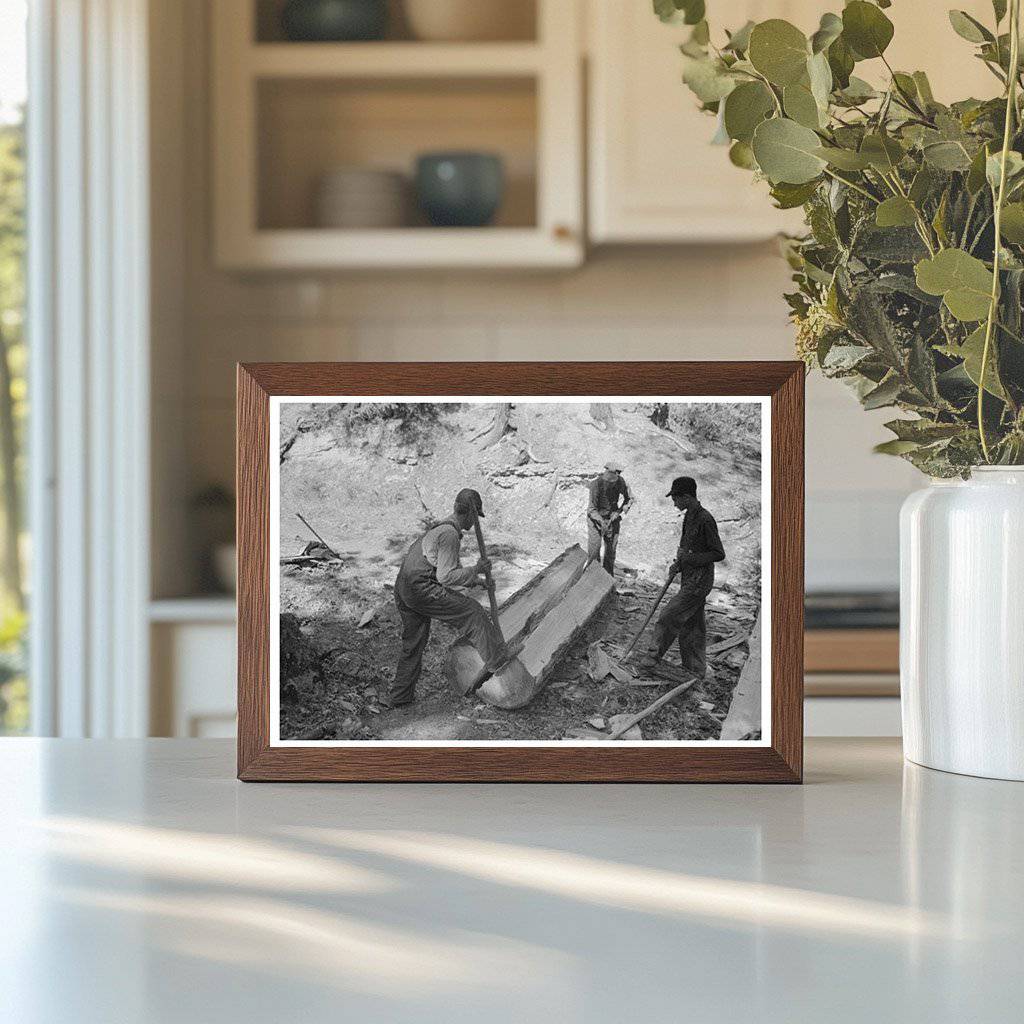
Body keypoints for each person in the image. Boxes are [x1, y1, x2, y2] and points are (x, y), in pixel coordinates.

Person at [385, 488, 510, 708]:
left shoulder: (442, 528)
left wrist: (477, 581)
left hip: (405, 587)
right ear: (470, 514)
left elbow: (449, 569)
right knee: (473, 613)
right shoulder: (450, 534)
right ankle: (499, 665)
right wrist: (477, 568)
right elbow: (447, 577)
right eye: (475, 516)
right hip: (421, 589)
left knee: (413, 643)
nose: (475, 522)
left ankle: (400, 696)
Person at [639, 476, 725, 679]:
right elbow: (685, 547)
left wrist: (690, 559)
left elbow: (718, 553)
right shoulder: (689, 516)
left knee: (668, 615)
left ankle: (652, 658)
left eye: (676, 499)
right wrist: (679, 563)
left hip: (699, 582)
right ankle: (695, 668)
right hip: (689, 578)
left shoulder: (705, 519)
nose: (674, 503)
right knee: (692, 625)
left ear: (686, 497)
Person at [587, 461, 633, 575]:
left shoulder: (621, 482)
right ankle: (593, 577)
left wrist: (619, 511)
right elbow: (591, 509)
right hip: (596, 519)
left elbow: (629, 498)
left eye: (612, 483)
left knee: (610, 552)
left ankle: (607, 578)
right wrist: (601, 522)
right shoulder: (595, 485)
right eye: (608, 483)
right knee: (594, 550)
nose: (610, 485)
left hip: (612, 519)